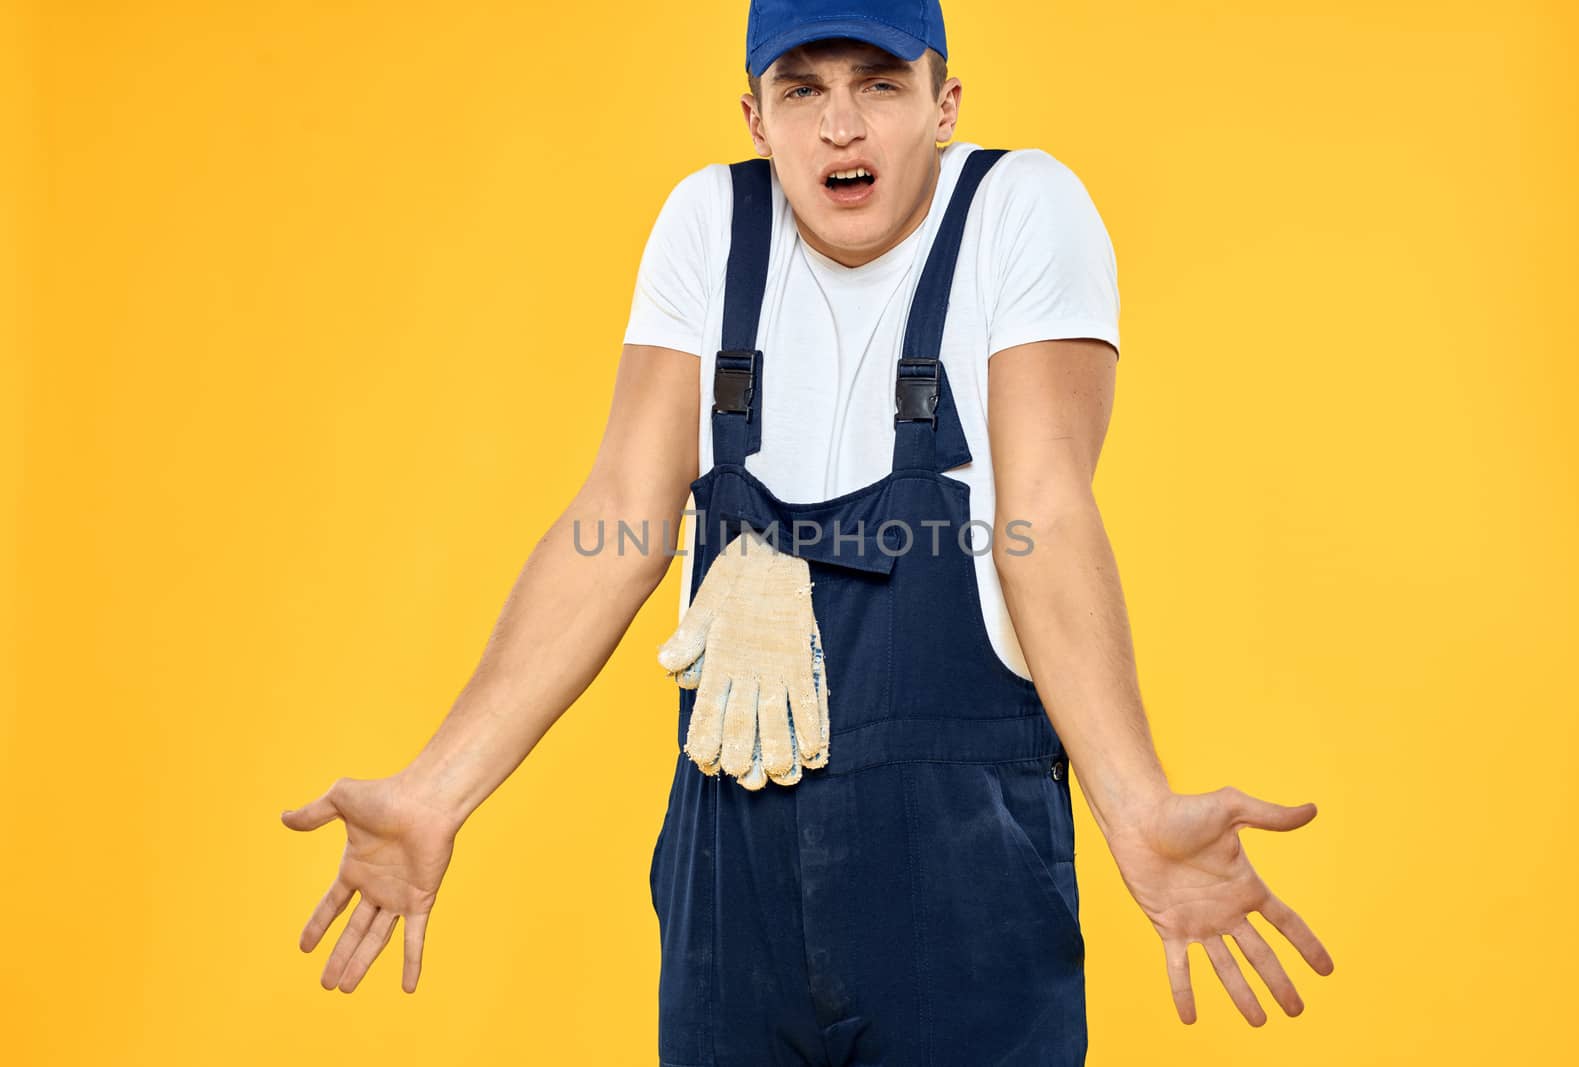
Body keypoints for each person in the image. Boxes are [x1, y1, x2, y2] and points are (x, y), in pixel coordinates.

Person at [281, 1, 1335, 1062]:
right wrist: (432, 789)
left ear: (943, 103)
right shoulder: (710, 226)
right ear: (755, 115)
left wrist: (1135, 803)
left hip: (958, 867)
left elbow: (1041, 513)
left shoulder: (1020, 209)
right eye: (802, 89)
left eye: (879, 83)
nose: (841, 125)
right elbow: (619, 511)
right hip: (731, 866)